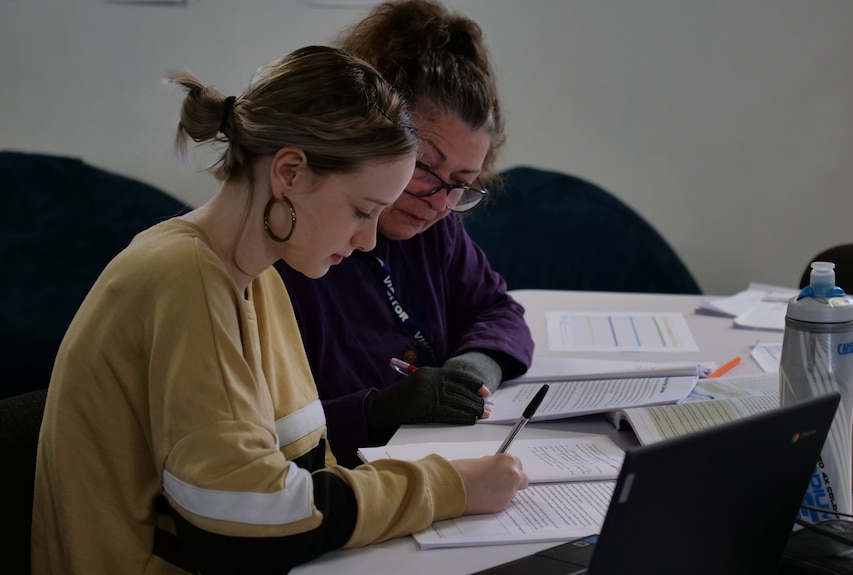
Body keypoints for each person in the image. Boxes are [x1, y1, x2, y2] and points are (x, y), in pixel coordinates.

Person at [31, 45, 528, 575]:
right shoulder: (184, 278)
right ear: (289, 172)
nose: (365, 241)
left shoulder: (257, 274)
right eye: (362, 211)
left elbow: (308, 468)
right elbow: (242, 527)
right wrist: (446, 486)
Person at [275, 0, 535, 467]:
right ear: (370, 136)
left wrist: (473, 367)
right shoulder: (287, 253)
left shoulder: (437, 227)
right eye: (423, 168)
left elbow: (497, 308)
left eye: (461, 183)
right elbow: (264, 442)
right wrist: (377, 410)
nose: (439, 203)